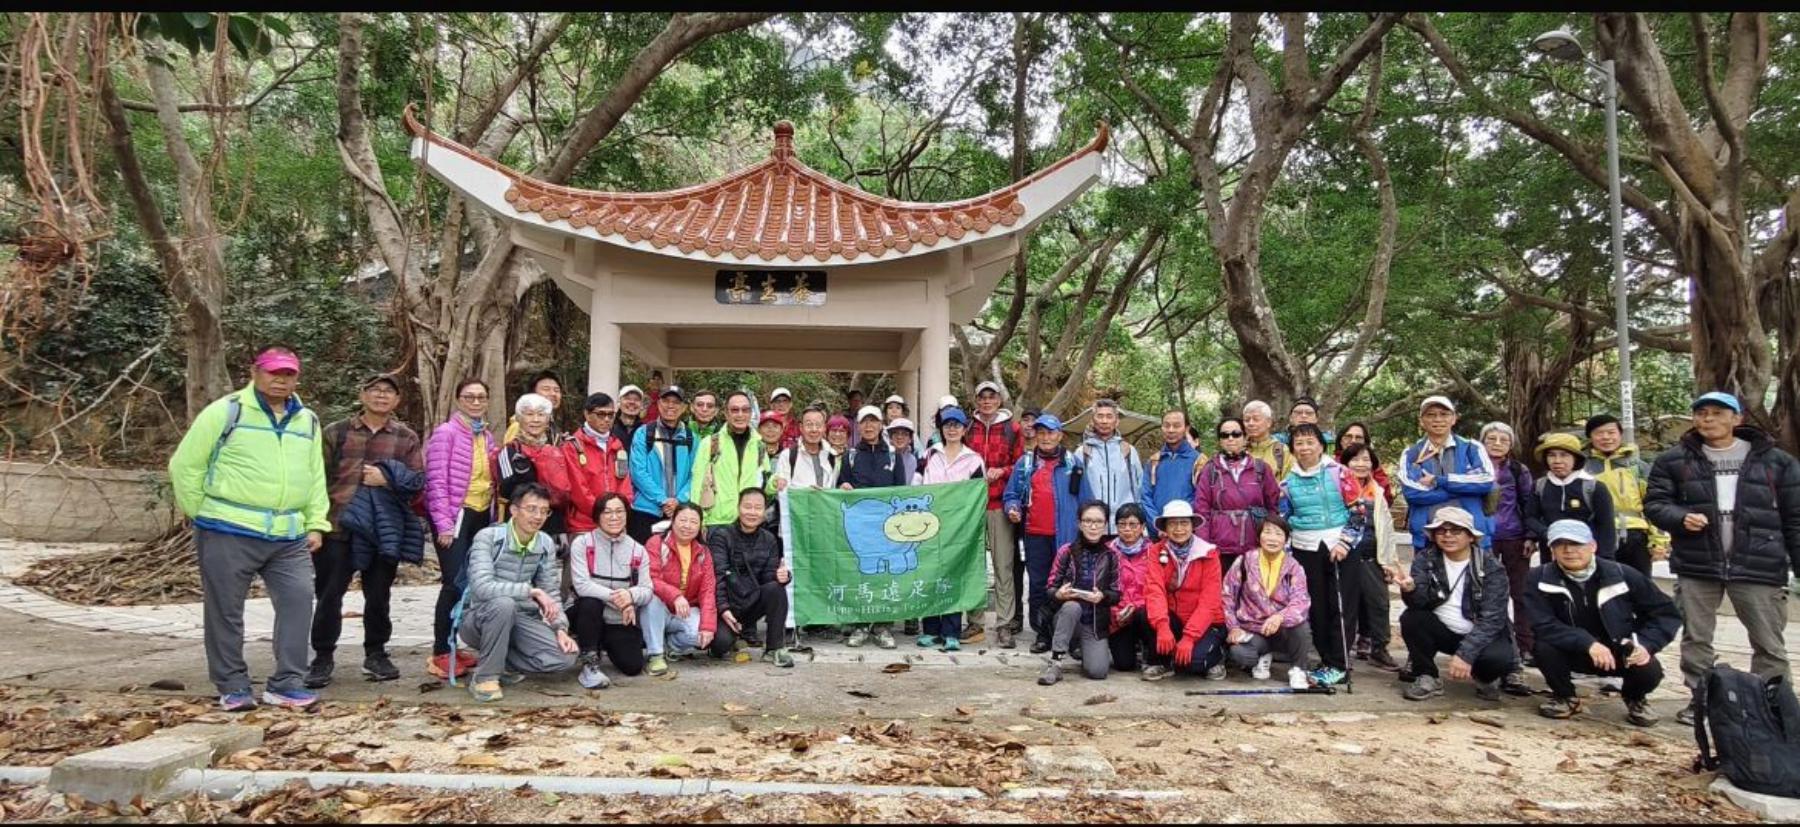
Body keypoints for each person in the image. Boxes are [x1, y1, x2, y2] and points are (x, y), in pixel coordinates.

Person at [168, 346, 329, 711]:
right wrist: (202, 513)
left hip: (288, 535)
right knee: (225, 610)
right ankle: (232, 684)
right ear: (255, 372)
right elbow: (185, 465)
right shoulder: (227, 411)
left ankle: (287, 683)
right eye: (273, 372)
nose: (281, 380)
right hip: (229, 529)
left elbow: (315, 475)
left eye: (288, 374)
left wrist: (316, 522)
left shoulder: (307, 421)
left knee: (298, 601)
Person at [1645, 391, 1800, 726]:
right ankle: (1702, 701)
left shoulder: (1776, 462)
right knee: (1697, 637)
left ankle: (1772, 704)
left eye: (1718, 412)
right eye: (1702, 413)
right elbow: (1655, 504)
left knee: (1768, 641)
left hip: (1759, 563)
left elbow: (1795, 517)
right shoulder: (1674, 460)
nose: (1708, 419)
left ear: (1737, 418)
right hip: (1697, 563)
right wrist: (1680, 517)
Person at [306, 373, 425, 689]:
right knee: (329, 594)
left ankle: (376, 653)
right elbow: (316, 477)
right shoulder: (337, 432)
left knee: (379, 595)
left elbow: (417, 481)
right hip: (338, 525)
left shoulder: (405, 437)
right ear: (362, 395)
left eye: (388, 391)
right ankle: (322, 656)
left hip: (381, 529)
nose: (381, 395)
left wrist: (387, 480)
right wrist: (313, 523)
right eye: (375, 390)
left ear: (397, 400)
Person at [1524, 520, 1681, 726]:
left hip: (1619, 649)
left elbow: (1665, 613)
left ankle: (1635, 698)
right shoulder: (1539, 577)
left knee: (1649, 669)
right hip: (1572, 650)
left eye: (1577, 544)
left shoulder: (1623, 574)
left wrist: (1645, 644)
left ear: (1593, 546)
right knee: (1543, 647)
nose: (1568, 550)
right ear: (1552, 550)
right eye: (1559, 544)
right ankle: (1565, 696)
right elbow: (1542, 623)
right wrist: (1587, 642)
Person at [457, 483, 577, 702]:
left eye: (544, 511)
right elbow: (481, 587)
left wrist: (560, 628)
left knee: (565, 657)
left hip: (521, 619)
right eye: (531, 509)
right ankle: (485, 677)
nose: (538, 516)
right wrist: (530, 591)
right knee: (504, 604)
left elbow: (551, 591)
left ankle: (500, 660)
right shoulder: (489, 537)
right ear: (514, 510)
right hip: (479, 618)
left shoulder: (544, 543)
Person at [1393, 506, 1516, 702]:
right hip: (1443, 629)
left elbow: (1492, 618)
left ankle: (1485, 677)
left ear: (1471, 537)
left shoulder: (1490, 566)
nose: (1448, 536)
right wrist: (1410, 589)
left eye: (1456, 531)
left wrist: (1466, 654)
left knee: (1499, 658)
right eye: (1441, 531)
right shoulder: (1425, 559)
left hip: (1478, 632)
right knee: (1411, 618)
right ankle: (1427, 675)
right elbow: (1419, 603)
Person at [423, 378, 500, 681]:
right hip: (456, 516)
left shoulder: (487, 436)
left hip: (481, 514)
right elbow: (435, 482)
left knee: (471, 583)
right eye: (469, 397)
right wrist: (443, 524)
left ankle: (454, 644)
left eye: (481, 397)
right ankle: (440, 651)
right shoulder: (446, 433)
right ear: (458, 400)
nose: (476, 402)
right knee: (453, 582)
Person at [1278, 424, 1362, 687]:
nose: (1305, 448)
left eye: (1310, 442)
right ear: (1292, 449)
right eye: (1299, 443)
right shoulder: (1287, 483)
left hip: (1339, 546)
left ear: (1320, 445)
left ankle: (1340, 663)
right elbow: (1284, 519)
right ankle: (1327, 660)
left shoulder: (1340, 473)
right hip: (1305, 547)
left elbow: (1358, 511)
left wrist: (1345, 543)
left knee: (1341, 606)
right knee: (1316, 608)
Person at [1003, 413, 1094, 653]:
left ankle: (1070, 636)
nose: (1045, 437)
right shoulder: (1025, 464)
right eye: (1041, 432)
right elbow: (1011, 495)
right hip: (1034, 535)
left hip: (1067, 536)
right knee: (1038, 585)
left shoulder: (1073, 464)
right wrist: (1012, 508)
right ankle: (1042, 633)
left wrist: (1087, 532)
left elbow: (1086, 501)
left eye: (1050, 432)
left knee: (1069, 583)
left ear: (1060, 435)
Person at [916, 407, 985, 651]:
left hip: (959, 528)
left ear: (965, 429)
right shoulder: (928, 455)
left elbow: (978, 495)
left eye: (957, 425)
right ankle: (931, 630)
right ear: (941, 429)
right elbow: (915, 486)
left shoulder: (974, 460)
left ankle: (951, 631)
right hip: (929, 526)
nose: (952, 429)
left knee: (954, 576)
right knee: (930, 576)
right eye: (947, 425)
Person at [841, 405, 910, 649]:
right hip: (860, 527)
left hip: (886, 528)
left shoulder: (893, 455)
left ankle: (883, 626)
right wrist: (844, 487)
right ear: (858, 426)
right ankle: (859, 625)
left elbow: (900, 492)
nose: (869, 426)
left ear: (882, 425)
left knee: (885, 574)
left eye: (874, 421)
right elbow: (841, 486)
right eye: (864, 422)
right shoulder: (850, 456)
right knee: (861, 573)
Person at [566, 493, 652, 688]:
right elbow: (582, 585)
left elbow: (647, 590)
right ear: (597, 516)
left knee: (633, 666)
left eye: (619, 511)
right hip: (584, 612)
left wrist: (630, 595)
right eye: (607, 512)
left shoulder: (638, 550)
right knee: (591, 602)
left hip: (617, 617)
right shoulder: (583, 543)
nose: (614, 517)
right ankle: (589, 662)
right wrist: (618, 598)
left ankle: (599, 642)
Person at [1222, 516, 1314, 688]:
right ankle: (1264, 655)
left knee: (1301, 627)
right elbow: (1227, 595)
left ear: (1286, 539)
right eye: (1268, 532)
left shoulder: (1294, 567)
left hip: (1282, 629)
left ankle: (1299, 669)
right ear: (1259, 536)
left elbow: (1301, 601)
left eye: (1278, 534)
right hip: (1253, 630)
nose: (1272, 538)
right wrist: (1233, 627)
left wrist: (1280, 617)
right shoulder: (1244, 561)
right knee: (1239, 653)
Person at [708, 488, 795, 667]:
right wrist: (724, 609)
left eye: (758, 508)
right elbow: (717, 577)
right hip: (725, 606)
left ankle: (774, 649)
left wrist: (782, 576)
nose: (752, 512)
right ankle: (731, 635)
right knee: (720, 645)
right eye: (747, 507)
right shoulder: (721, 536)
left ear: (764, 511)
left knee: (776, 589)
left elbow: (768, 579)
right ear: (738, 508)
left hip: (750, 602)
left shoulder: (769, 539)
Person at [1142, 500, 1228, 681]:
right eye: (1173, 523)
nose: (1179, 529)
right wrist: (1162, 626)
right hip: (1174, 618)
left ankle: (1217, 656)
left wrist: (1189, 637)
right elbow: (1154, 590)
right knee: (1143, 614)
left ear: (1192, 526)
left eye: (1184, 523)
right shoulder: (1156, 551)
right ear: (1165, 528)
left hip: (1205, 622)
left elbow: (1210, 601)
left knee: (1193, 664)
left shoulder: (1209, 553)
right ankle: (1162, 661)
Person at [1038, 501, 1123, 685]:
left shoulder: (1112, 555)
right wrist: (1059, 594)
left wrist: (1103, 596)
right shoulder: (1066, 551)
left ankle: (1082, 648)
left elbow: (1117, 593)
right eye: (1088, 521)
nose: (1093, 526)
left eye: (1098, 521)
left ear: (1105, 525)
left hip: (1094, 621)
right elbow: (1050, 588)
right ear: (1080, 524)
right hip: (1067, 616)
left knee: (1098, 671)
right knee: (1072, 607)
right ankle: (1055, 663)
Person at [968, 381, 1025, 648]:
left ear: (999, 400)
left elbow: (1020, 464)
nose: (987, 401)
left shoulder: (1013, 429)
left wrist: (1002, 471)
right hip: (971, 506)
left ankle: (1004, 623)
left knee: (1003, 566)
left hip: (1000, 504)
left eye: (992, 397)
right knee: (973, 565)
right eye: (982, 397)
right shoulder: (968, 428)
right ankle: (975, 621)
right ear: (976, 400)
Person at [1399, 396, 1496, 549]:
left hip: (1472, 536)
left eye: (1444, 414)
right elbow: (1412, 492)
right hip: (1426, 538)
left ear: (1454, 418)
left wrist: (1439, 481)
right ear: (1421, 421)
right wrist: (1461, 489)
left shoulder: (1472, 448)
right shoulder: (1411, 453)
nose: (1438, 419)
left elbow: (1485, 481)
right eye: (1431, 415)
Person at [1194, 416, 1283, 577]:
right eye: (1225, 435)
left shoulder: (1260, 469)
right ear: (1219, 440)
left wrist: (1271, 539)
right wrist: (1204, 545)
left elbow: (1273, 508)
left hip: (1254, 544)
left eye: (1236, 434)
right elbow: (1202, 510)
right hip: (1220, 545)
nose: (1230, 438)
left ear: (1245, 436)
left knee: (1254, 589)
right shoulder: (1210, 470)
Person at [1479, 422, 1537, 668]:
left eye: (1503, 440)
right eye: (1491, 439)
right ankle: (1489, 641)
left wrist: (1531, 535)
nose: (1497, 444)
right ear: (1482, 442)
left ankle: (1525, 645)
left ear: (1511, 444)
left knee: (1520, 592)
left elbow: (1529, 501)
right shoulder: (1474, 467)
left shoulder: (1518, 470)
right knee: (1486, 592)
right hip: (1483, 537)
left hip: (1514, 536)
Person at [1339, 442, 1399, 672]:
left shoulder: (1378, 491)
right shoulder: (1337, 487)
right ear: (1345, 464)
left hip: (1371, 555)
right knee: (1346, 606)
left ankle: (1379, 649)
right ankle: (1341, 653)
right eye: (1355, 460)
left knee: (1380, 604)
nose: (1361, 464)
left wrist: (1390, 561)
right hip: (1344, 555)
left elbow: (1387, 528)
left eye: (1366, 460)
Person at [643, 502, 716, 677]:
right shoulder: (656, 543)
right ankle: (655, 654)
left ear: (700, 526)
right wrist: (675, 596)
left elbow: (707, 590)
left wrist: (708, 625)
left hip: (684, 610)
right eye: (683, 520)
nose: (687, 526)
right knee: (651, 599)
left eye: (693, 522)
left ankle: (671, 646)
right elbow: (650, 578)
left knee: (699, 635)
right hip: (659, 607)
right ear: (673, 521)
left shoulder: (703, 552)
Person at [1584, 414, 1659, 576]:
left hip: (1635, 534)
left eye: (1611, 432)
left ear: (1620, 434)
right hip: (1595, 534)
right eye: (1599, 433)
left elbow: (1653, 503)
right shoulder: (1582, 468)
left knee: (1639, 584)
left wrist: (1659, 539)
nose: (1606, 437)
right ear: (1590, 437)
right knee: (1603, 584)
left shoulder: (1637, 467)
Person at [1527, 432, 1618, 563]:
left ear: (1576, 458)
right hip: (1550, 554)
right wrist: (1547, 533)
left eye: (1564, 455)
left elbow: (1606, 526)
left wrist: (1606, 560)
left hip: (1588, 555)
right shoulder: (1539, 486)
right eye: (1551, 455)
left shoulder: (1593, 487)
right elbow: (1530, 517)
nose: (1557, 461)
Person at [689, 391, 772, 530]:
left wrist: (775, 483)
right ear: (726, 413)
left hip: (749, 523)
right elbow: (697, 485)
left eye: (745, 410)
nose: (740, 414)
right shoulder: (710, 443)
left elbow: (766, 484)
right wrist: (699, 521)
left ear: (751, 413)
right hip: (716, 522)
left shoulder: (759, 445)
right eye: (734, 410)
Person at [495, 393, 573, 537]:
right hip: (521, 525)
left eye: (541, 415)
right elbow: (506, 490)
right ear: (519, 419)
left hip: (554, 523)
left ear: (548, 420)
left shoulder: (556, 450)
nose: (535, 420)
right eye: (529, 414)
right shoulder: (511, 450)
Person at [627, 386, 696, 543]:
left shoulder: (691, 437)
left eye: (676, 402)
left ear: (684, 407)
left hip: (680, 512)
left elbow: (696, 474)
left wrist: (679, 500)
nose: (670, 406)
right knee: (643, 555)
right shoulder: (644, 433)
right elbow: (638, 472)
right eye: (666, 401)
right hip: (646, 510)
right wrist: (663, 499)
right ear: (658, 403)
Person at [565, 393, 634, 539]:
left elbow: (624, 482)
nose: (607, 419)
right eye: (601, 414)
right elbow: (578, 489)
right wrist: (603, 514)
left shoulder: (617, 445)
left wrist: (619, 513)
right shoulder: (573, 446)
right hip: (584, 525)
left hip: (616, 524)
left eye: (611, 415)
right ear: (587, 414)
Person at [1081, 399, 1142, 531]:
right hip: (1093, 525)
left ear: (1117, 421)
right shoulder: (1083, 452)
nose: (1104, 421)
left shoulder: (1128, 451)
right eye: (1100, 416)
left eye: (1109, 416)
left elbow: (1139, 487)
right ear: (1092, 420)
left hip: (1124, 524)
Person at [1107, 503, 1154, 673]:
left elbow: (1157, 588)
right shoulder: (1107, 552)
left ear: (1142, 527)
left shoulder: (1154, 552)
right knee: (1124, 664)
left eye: (1133, 524)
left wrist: (1136, 606)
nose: (1127, 529)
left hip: (1145, 612)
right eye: (1122, 524)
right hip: (1118, 616)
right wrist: (1116, 612)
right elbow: (1102, 588)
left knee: (1145, 615)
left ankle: (1151, 650)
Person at [1140, 409, 1202, 539]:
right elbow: (1145, 497)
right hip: (1157, 534)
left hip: (1186, 532)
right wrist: (1158, 525)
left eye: (1177, 425)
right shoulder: (1154, 461)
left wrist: (1179, 525)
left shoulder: (1199, 461)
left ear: (1186, 428)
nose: (1171, 430)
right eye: (1167, 425)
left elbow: (1201, 498)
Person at [503, 371, 564, 443]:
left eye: (556, 390)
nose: (553, 393)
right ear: (532, 393)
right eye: (546, 389)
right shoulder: (519, 425)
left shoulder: (552, 425)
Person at [1242, 400, 1291, 477]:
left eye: (1256, 419)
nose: (1250, 423)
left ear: (1269, 422)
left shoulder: (1282, 451)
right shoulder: (1239, 450)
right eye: (1247, 420)